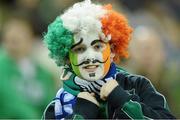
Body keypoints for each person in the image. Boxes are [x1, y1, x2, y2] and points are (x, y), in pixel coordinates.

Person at [42, 0, 175, 119]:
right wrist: (82, 114)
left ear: (112, 50)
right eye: (80, 49)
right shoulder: (58, 106)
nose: (90, 57)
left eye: (98, 46)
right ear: (67, 58)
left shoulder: (137, 86)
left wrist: (123, 100)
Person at [0, 17, 55, 118]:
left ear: (31, 40)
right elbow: (12, 103)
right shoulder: (1, 66)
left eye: (20, 33)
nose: (14, 34)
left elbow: (50, 102)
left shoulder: (42, 72)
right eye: (11, 39)